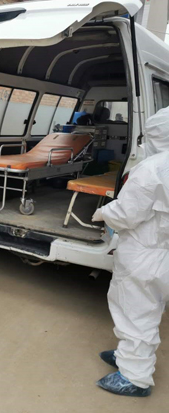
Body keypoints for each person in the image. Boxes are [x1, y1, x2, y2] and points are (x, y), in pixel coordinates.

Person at [92, 106, 169, 397]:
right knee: (150, 307)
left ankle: (134, 377)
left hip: (145, 252)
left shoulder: (152, 168)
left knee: (135, 311)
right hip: (163, 252)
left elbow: (127, 214)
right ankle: (127, 355)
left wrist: (103, 213)